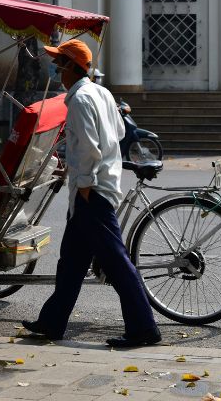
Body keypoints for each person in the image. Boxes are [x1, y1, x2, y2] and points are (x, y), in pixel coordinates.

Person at [22, 39, 161, 347]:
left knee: (116, 262)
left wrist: (83, 183)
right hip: (93, 190)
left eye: (59, 62)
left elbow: (88, 148)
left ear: (72, 67)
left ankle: (144, 327)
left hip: (92, 192)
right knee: (71, 262)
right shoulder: (101, 93)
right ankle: (51, 323)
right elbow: (119, 133)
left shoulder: (82, 99)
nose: (56, 68)